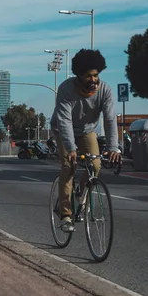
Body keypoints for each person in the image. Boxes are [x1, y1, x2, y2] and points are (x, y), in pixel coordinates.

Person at [51, 49, 121, 232]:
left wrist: (114, 147)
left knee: (95, 165)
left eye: (96, 75)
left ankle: (81, 196)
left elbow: (110, 119)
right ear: (79, 76)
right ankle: (66, 215)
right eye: (89, 76)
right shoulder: (66, 90)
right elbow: (64, 121)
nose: (94, 80)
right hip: (63, 130)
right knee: (69, 166)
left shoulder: (105, 90)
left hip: (87, 131)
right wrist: (71, 147)